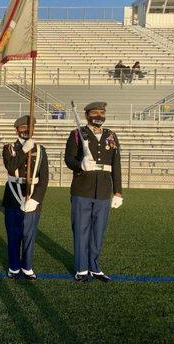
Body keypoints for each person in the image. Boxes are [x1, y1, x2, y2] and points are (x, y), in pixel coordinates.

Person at [65, 102, 123, 283]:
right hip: (82, 188)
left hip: (104, 190)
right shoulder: (77, 134)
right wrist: (80, 164)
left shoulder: (111, 136)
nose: (99, 114)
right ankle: (82, 269)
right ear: (87, 115)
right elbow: (69, 159)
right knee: (81, 230)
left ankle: (94, 267)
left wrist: (118, 192)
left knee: (98, 231)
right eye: (95, 112)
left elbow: (116, 164)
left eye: (102, 112)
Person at [2, 115, 49, 280]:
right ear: (16, 129)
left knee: (29, 235)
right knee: (13, 234)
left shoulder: (41, 149)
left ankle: (27, 266)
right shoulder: (9, 148)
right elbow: (10, 167)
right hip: (13, 197)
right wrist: (23, 151)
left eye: (30, 128)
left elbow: (44, 178)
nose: (27, 130)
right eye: (23, 127)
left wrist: (36, 199)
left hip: (33, 198)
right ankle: (14, 267)